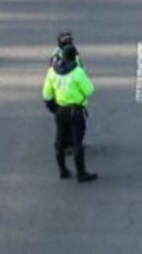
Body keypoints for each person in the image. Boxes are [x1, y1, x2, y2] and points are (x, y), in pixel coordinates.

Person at [42, 45, 98, 182]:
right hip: (76, 111)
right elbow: (90, 90)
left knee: (59, 141)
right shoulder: (77, 72)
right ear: (74, 58)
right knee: (77, 142)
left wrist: (53, 108)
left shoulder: (52, 72)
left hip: (60, 111)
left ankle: (62, 170)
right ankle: (81, 173)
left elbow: (46, 94)